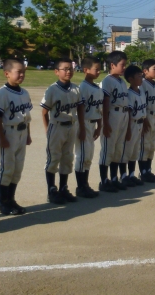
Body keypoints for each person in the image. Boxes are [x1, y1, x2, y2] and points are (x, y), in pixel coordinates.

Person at [0, 59, 33, 215]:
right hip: (8, 133)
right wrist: (2, 137)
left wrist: (28, 134)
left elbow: (27, 116)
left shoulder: (24, 92)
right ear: (7, 73)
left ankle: (11, 199)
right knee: (7, 168)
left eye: (23, 72)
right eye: (18, 72)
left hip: (21, 133)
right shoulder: (3, 92)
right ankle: (3, 202)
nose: (22, 75)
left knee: (17, 168)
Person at [41, 57, 85, 203]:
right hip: (57, 126)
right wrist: (48, 129)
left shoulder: (76, 89)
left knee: (67, 158)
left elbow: (80, 107)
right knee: (53, 158)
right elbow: (44, 112)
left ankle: (63, 188)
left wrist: (82, 127)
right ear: (56, 71)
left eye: (70, 69)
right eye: (65, 69)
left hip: (71, 126)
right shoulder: (52, 90)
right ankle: (51, 190)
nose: (68, 71)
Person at [98, 51, 129, 192]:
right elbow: (105, 103)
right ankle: (104, 181)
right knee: (108, 149)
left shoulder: (122, 81)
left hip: (123, 115)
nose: (124, 67)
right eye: (122, 65)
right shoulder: (107, 81)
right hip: (112, 116)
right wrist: (105, 123)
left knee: (118, 149)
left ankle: (114, 178)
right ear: (112, 65)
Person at [74, 56, 103, 198]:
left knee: (89, 155)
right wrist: (82, 128)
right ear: (86, 70)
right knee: (82, 155)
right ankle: (80, 187)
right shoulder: (83, 88)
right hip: (84, 123)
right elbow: (80, 110)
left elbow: (99, 109)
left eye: (99, 69)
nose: (99, 72)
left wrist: (99, 126)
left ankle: (85, 185)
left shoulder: (97, 88)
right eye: (96, 69)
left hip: (92, 123)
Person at [121, 65, 147, 186]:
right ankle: (123, 176)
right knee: (127, 151)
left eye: (142, 76)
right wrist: (128, 130)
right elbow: (129, 113)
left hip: (140, 124)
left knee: (135, 152)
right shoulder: (129, 94)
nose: (141, 78)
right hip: (131, 125)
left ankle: (131, 174)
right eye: (139, 76)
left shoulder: (141, 92)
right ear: (131, 79)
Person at [139, 59, 155, 183]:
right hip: (147, 117)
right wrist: (144, 119)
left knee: (151, 145)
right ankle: (143, 172)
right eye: (154, 69)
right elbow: (142, 104)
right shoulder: (142, 84)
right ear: (145, 71)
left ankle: (148, 170)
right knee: (144, 145)